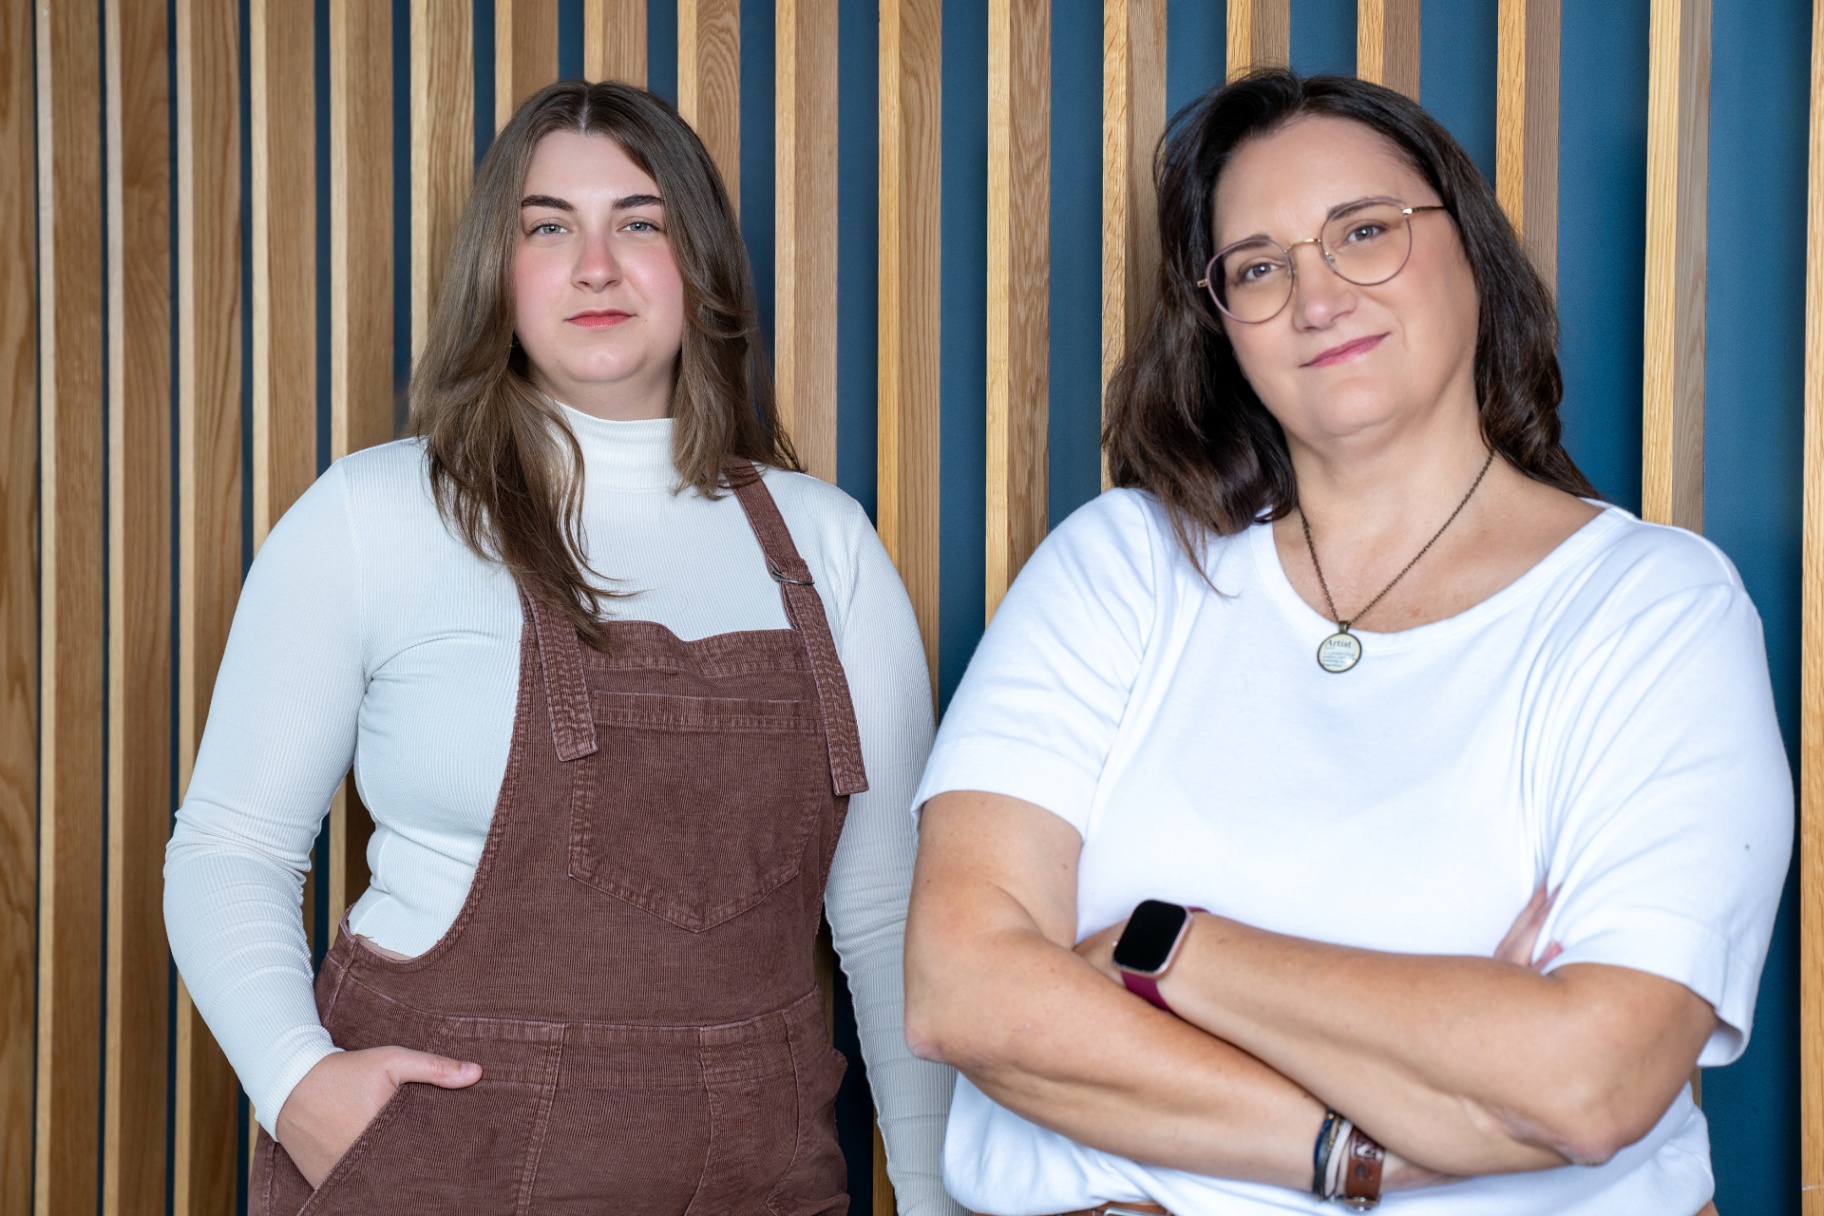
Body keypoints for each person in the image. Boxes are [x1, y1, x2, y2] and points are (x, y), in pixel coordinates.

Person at [903, 70, 1789, 1216]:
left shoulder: (1652, 609)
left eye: (1363, 232)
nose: (1316, 297)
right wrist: (1365, 1148)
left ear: (1471, 251)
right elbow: (961, 989)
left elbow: (1590, 1078)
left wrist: (1166, 952)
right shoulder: (1123, 565)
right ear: (1219, 323)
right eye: (1259, 266)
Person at [165, 79, 958, 1214]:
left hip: (762, 1181)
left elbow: (886, 918)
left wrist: (930, 1193)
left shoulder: (823, 543)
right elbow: (228, 848)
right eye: (549, 226)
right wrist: (300, 1088)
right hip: (438, 1172)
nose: (597, 265)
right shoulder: (374, 514)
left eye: (640, 222)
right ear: (501, 268)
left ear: (701, 268)